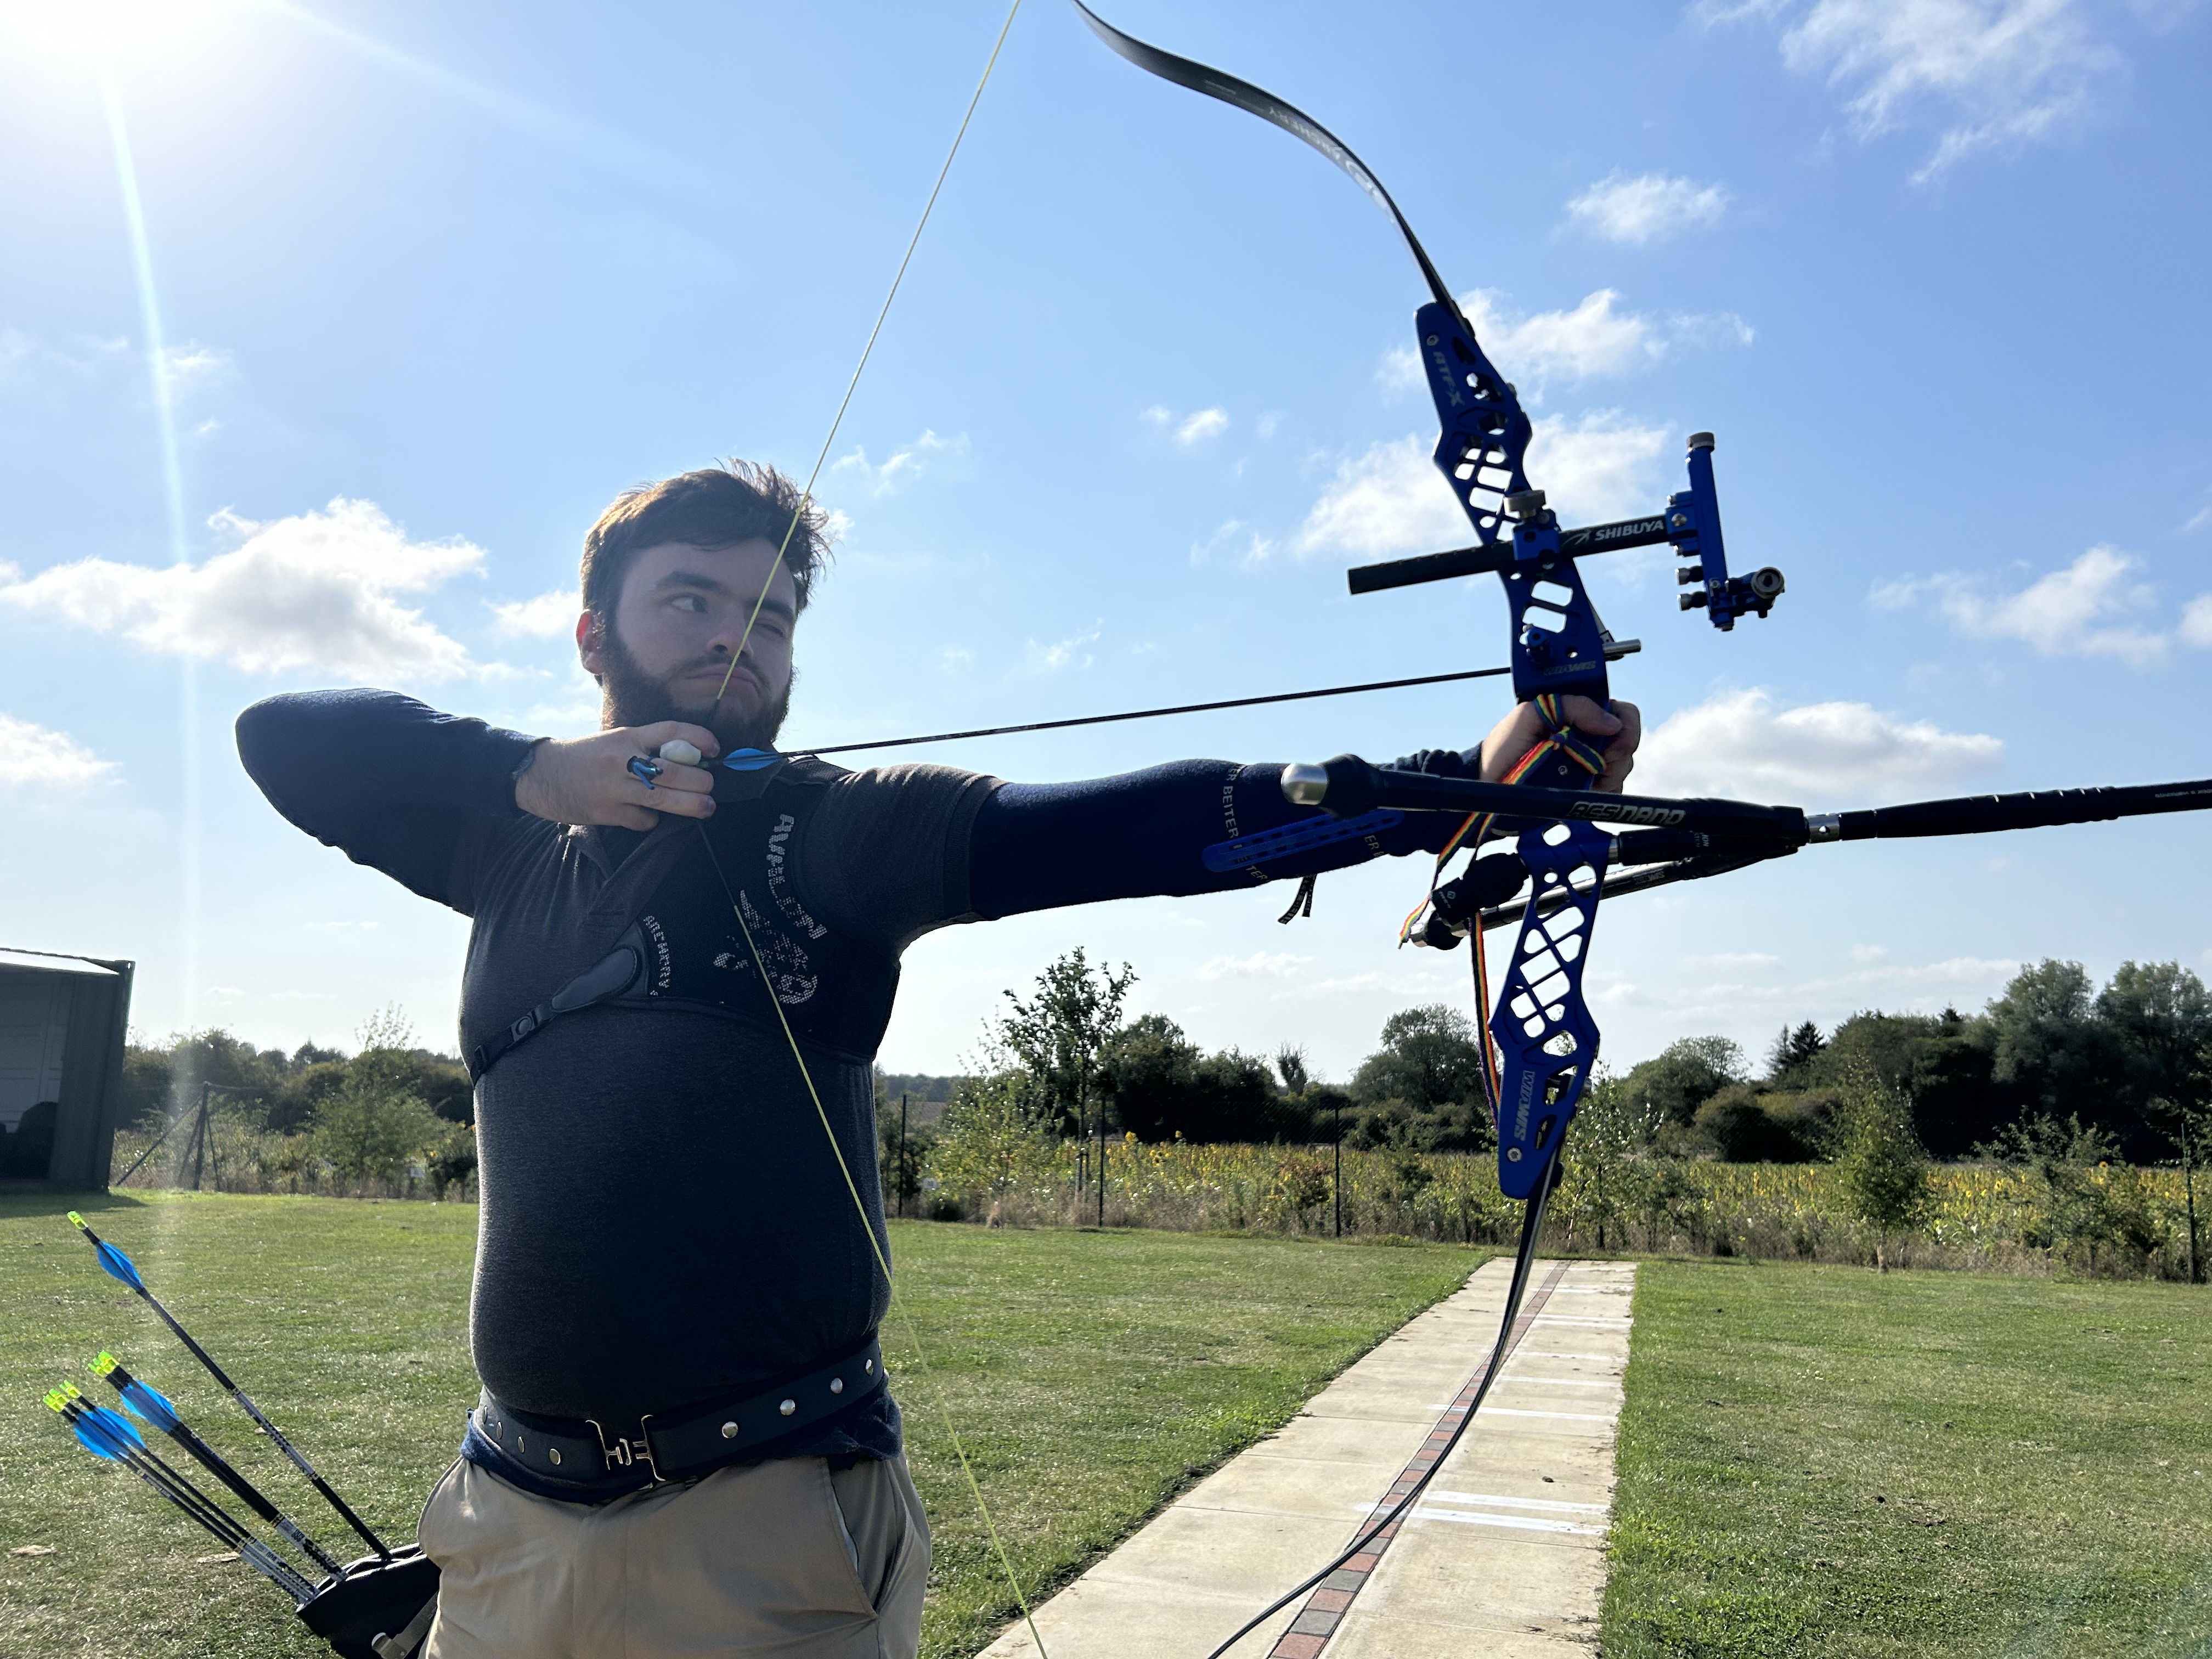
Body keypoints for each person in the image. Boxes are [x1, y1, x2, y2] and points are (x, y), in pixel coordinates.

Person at [236, 459, 1640, 1659]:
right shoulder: (505, 845)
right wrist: (529, 770)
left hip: (758, 1525)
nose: (740, 640)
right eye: (693, 601)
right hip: (502, 1519)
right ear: (592, 635)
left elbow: (1114, 829)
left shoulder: (831, 834)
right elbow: (284, 740)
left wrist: (1456, 779)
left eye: (772, 616)